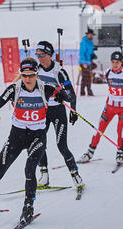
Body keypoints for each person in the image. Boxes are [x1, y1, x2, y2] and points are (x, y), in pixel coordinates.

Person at [0, 58, 81, 224]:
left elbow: (68, 96)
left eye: (31, 75)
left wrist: (62, 94)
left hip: (37, 137)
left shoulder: (46, 89)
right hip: (16, 137)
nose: (27, 79)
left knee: (29, 169)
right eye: (24, 75)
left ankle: (28, 207)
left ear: (37, 74)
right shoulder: (14, 89)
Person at [31, 41, 83, 188]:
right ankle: (44, 175)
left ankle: (75, 175)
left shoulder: (59, 72)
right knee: (39, 143)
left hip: (58, 112)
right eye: (38, 55)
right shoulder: (37, 70)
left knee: (62, 146)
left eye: (42, 55)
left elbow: (71, 94)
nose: (40, 58)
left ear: (50, 55)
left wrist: (72, 110)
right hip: (44, 112)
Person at [80, 51, 123, 165]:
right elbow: (95, 74)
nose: (115, 64)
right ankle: (90, 152)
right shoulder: (107, 72)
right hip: (109, 108)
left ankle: (120, 153)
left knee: (120, 130)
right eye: (113, 62)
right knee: (99, 129)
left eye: (117, 62)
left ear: (121, 63)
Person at [79, 29, 96, 96]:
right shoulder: (84, 42)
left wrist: (93, 55)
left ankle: (83, 92)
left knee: (86, 77)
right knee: (87, 77)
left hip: (89, 62)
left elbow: (90, 51)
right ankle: (87, 91)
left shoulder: (90, 42)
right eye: (90, 35)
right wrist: (84, 63)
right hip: (84, 63)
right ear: (87, 35)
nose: (91, 36)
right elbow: (82, 53)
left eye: (92, 35)